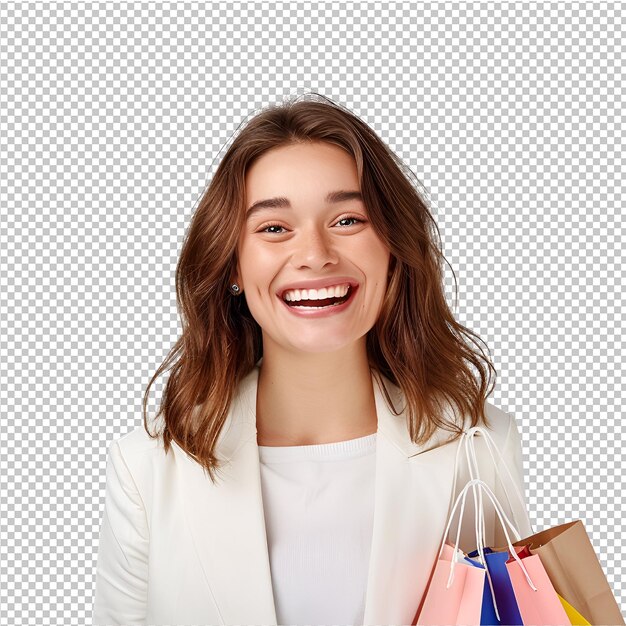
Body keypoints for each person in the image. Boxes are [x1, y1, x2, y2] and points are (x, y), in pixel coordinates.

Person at [92, 93, 534, 626]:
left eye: (347, 219)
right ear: (232, 264)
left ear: (392, 247)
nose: (316, 254)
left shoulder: (476, 445)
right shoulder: (149, 467)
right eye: (274, 228)